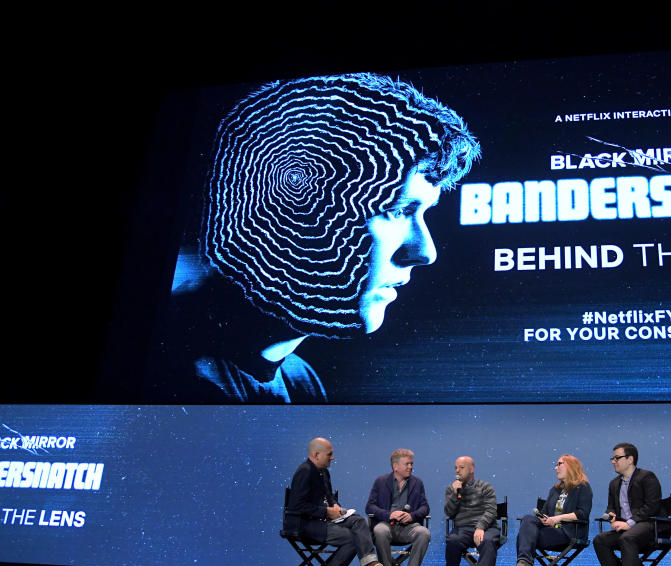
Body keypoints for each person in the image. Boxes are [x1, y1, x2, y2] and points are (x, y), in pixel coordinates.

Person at [150, 73, 481, 403]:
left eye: (422, 213)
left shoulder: (300, 381)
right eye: (396, 209)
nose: (425, 252)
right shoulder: (168, 370)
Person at [285, 437, 398, 566]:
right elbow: (296, 505)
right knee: (353, 538)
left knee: (359, 521)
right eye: (329, 454)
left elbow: (328, 496)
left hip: (322, 519)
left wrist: (334, 505)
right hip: (305, 524)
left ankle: (372, 565)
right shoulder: (305, 471)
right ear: (316, 454)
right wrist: (326, 512)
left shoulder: (323, 472)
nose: (333, 457)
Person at [508, 454, 592, 566]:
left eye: (559, 464)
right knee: (528, 522)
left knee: (525, 537)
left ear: (571, 466)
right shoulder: (555, 490)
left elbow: (582, 514)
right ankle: (525, 564)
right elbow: (545, 513)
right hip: (551, 532)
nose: (556, 467)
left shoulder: (582, 487)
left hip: (570, 533)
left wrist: (557, 518)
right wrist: (545, 518)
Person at [591, 442, 662, 566]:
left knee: (628, 537)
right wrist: (612, 516)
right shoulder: (614, 484)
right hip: (628, 529)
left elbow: (652, 506)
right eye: (612, 458)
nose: (613, 461)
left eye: (617, 458)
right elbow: (611, 507)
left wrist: (629, 523)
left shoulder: (647, 477)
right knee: (600, 540)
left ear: (630, 459)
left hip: (649, 526)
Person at [366, 448, 431, 566]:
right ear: (395, 466)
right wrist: (389, 514)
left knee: (424, 533)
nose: (410, 467)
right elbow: (370, 507)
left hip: (408, 527)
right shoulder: (381, 481)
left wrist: (411, 516)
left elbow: (425, 507)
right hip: (386, 524)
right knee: (379, 530)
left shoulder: (417, 483)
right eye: (407, 464)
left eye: (411, 464)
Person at [444, 456, 499, 566]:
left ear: (472, 469)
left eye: (461, 468)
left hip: (487, 527)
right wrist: (454, 494)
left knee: (488, 540)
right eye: (456, 468)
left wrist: (480, 527)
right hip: (463, 529)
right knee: (452, 541)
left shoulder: (485, 487)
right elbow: (449, 513)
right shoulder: (451, 489)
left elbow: (491, 511)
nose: (457, 471)